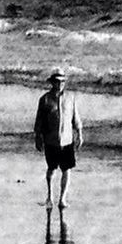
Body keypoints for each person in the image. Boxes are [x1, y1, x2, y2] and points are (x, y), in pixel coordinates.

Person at [33, 69, 82, 210]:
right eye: (57, 81)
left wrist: (79, 133)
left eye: (62, 81)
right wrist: (38, 137)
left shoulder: (71, 98)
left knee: (67, 169)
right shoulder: (45, 99)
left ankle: (63, 198)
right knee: (51, 169)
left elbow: (75, 118)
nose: (59, 84)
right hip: (51, 140)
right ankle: (49, 195)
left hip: (67, 139)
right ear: (52, 82)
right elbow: (39, 121)